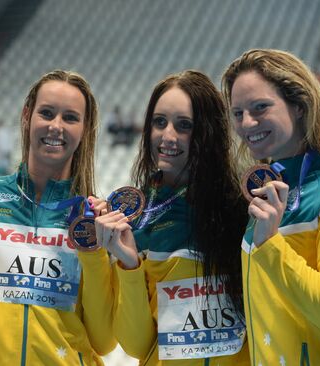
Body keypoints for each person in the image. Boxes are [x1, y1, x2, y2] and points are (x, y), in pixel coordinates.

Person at [0, 69, 116, 365]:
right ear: (27, 116)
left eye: (70, 118)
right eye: (47, 113)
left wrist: (95, 252)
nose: (56, 126)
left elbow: (103, 341)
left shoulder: (91, 219)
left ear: (85, 129)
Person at [222, 48, 320, 365]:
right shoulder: (266, 193)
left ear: (300, 105)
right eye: (238, 113)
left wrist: (271, 244)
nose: (247, 123)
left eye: (260, 107)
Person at [95, 70, 250, 365]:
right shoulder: (132, 218)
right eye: (159, 122)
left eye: (184, 125)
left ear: (208, 131)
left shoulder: (241, 207)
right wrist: (129, 265)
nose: (168, 136)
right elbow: (136, 345)